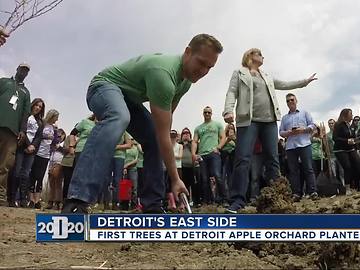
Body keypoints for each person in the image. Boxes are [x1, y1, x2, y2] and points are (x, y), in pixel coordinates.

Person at [63, 34, 223, 213]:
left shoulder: (185, 83)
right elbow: (165, 136)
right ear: (187, 52)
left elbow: (162, 128)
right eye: (201, 63)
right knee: (119, 117)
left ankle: (152, 204)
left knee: (153, 137)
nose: (203, 71)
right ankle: (78, 199)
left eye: (209, 67)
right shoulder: (163, 74)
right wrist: (175, 179)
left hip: (129, 99)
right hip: (102, 87)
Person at [223, 48, 317, 213]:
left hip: (269, 121)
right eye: (259, 54)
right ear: (250, 56)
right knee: (243, 158)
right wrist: (228, 110)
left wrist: (304, 82)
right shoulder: (239, 73)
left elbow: (284, 84)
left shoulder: (266, 76)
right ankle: (237, 200)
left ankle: (277, 197)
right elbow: (232, 92)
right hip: (248, 120)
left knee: (273, 159)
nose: (262, 57)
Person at [279, 93, 318, 201]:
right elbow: (281, 132)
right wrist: (288, 133)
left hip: (304, 143)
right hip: (291, 146)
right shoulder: (284, 118)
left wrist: (303, 130)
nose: (290, 102)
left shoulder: (304, 112)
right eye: (288, 101)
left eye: (292, 100)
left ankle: (313, 191)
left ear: (296, 100)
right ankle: (296, 193)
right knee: (293, 171)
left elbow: (313, 125)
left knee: (308, 168)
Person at [8, 98, 44, 207]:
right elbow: (22, 130)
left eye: (40, 106)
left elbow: (38, 137)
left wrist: (33, 146)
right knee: (17, 172)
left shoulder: (40, 122)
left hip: (32, 151)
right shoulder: (25, 116)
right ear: (32, 105)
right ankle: (12, 198)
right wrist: (28, 145)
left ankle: (23, 199)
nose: (37, 107)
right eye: (36, 105)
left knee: (26, 174)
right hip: (21, 147)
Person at [0, 63, 31, 191]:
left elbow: (26, 113)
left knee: (5, 164)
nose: (23, 72)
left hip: (13, 132)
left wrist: (23, 130)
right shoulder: (4, 82)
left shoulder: (26, 92)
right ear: (17, 69)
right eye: (22, 69)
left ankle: (0, 194)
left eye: (26, 71)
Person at [192, 106, 226, 204]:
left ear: (211, 114)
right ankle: (207, 201)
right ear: (203, 114)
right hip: (202, 154)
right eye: (205, 112)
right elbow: (194, 141)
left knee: (217, 175)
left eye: (209, 112)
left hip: (213, 153)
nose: (207, 114)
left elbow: (223, 137)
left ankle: (224, 199)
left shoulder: (217, 124)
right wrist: (194, 154)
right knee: (204, 179)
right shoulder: (198, 128)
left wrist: (218, 147)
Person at [29, 109, 59, 208]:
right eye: (56, 117)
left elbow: (55, 141)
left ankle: (37, 200)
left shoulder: (53, 128)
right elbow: (37, 136)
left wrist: (56, 137)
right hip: (37, 152)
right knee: (33, 175)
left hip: (46, 155)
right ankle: (31, 199)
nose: (57, 119)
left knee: (40, 177)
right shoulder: (42, 124)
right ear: (52, 116)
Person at [46, 128, 66, 210]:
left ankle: (57, 202)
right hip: (51, 163)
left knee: (58, 183)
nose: (59, 137)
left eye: (60, 135)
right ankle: (50, 201)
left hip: (59, 163)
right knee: (51, 183)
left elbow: (66, 151)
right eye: (57, 135)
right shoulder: (52, 144)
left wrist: (59, 148)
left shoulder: (63, 145)